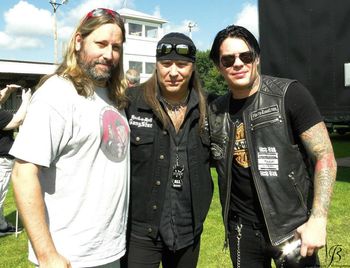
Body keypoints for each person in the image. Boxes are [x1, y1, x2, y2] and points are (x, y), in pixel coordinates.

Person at [208, 25, 337, 268]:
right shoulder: (216, 112)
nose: (238, 64)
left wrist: (318, 220)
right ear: (218, 66)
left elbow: (325, 155)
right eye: (228, 59)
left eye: (245, 56)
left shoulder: (290, 94)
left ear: (257, 58)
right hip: (241, 230)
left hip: (292, 227)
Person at [10, 8, 130, 268]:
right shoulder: (56, 94)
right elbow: (23, 174)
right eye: (100, 43)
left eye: (116, 47)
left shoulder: (113, 96)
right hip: (69, 255)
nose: (109, 54)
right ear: (78, 41)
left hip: (109, 251)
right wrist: (47, 255)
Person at [122, 32, 213, 268]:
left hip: (188, 229)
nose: (173, 72)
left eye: (182, 64)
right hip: (141, 230)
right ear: (156, 65)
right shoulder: (129, 103)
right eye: (166, 64)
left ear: (192, 67)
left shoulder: (210, 108)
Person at [0, 84, 31, 236]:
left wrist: (8, 91)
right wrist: (25, 100)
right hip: (1, 161)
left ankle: (2, 225)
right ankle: (1, 227)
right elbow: (17, 121)